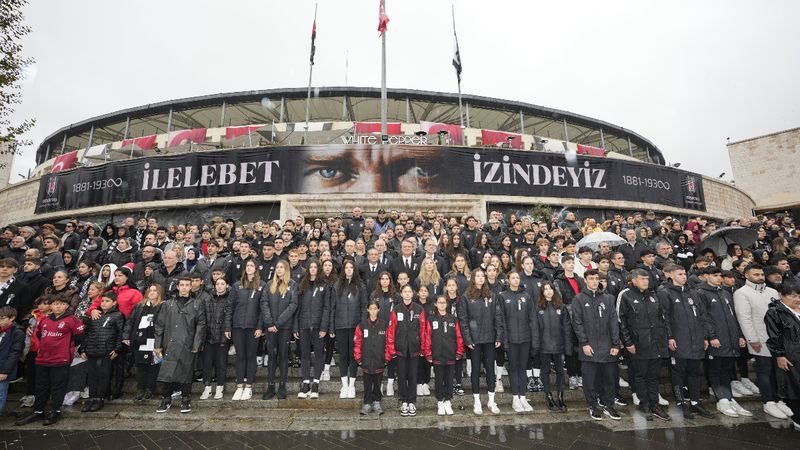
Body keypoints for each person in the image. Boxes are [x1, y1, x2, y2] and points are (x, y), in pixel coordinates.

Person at [15, 296, 85, 426]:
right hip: (43, 358)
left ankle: (55, 411)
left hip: (61, 359)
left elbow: (79, 338)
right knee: (41, 386)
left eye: (61, 304)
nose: (57, 307)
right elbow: (40, 335)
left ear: (66, 306)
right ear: (51, 306)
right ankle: (38, 411)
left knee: (58, 387)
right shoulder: (45, 320)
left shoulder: (73, 320)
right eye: (54, 304)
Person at [656, 264, 715, 419]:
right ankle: (681, 402)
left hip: (696, 339)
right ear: (671, 275)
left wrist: (705, 336)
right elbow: (664, 317)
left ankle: (695, 402)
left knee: (694, 372)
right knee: (678, 373)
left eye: (684, 273)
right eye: (680, 274)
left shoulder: (693, 292)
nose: (684, 276)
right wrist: (670, 337)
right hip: (679, 339)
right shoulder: (665, 292)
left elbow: (702, 316)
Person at [696, 266, 751, 418]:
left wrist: (739, 335)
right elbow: (703, 317)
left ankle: (729, 398)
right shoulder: (701, 293)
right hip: (716, 340)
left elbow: (734, 317)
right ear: (707, 276)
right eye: (715, 275)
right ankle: (723, 400)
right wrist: (711, 336)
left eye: (720, 275)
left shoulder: (725, 292)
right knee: (715, 370)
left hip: (730, 339)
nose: (719, 278)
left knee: (726, 370)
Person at [733, 263, 787, 419]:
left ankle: (778, 399)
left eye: (761, 274)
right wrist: (752, 339)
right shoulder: (741, 293)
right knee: (764, 371)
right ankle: (768, 402)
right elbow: (744, 317)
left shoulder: (772, 291)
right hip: (760, 338)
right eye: (756, 274)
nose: (760, 277)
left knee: (778, 371)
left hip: (777, 338)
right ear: (746, 275)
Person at [618, 269, 672, 421]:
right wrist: (628, 342)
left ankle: (655, 404)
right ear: (634, 280)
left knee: (654, 376)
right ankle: (645, 404)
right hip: (638, 343)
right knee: (641, 375)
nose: (645, 281)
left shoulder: (653, 295)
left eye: (647, 279)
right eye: (642, 279)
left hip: (656, 342)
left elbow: (662, 318)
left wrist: (665, 338)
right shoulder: (626, 295)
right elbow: (621, 320)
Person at [572, 270, 621, 420]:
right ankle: (593, 405)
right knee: (590, 379)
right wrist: (584, 343)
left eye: (596, 278)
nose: (594, 281)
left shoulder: (608, 298)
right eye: (591, 278)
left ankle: (609, 405)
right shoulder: (579, 299)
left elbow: (613, 322)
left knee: (609, 378)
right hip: (589, 347)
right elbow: (577, 323)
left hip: (607, 346)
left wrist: (615, 344)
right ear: (585, 280)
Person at [154, 277, 206, 414]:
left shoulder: (197, 304)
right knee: (166, 373)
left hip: (187, 344)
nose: (184, 287)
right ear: (177, 286)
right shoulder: (168, 304)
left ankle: (185, 399)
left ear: (191, 287)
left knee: (186, 373)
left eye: (187, 285)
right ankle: (165, 399)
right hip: (168, 344)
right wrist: (157, 345)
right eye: (181, 285)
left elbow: (201, 325)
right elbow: (159, 325)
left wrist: (196, 344)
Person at [458, 269, 502, 415]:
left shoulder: (492, 295)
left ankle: (491, 400)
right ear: (473, 278)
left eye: (482, 276)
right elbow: (463, 320)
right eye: (478, 275)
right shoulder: (466, 296)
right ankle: (476, 401)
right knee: (475, 370)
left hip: (489, 338)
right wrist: (468, 339)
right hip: (474, 341)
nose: (481, 278)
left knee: (490, 369)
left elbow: (498, 317)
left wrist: (498, 336)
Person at [497, 271, 538, 413]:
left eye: (517, 278)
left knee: (523, 367)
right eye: (512, 277)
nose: (515, 280)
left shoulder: (526, 296)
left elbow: (532, 318)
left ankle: (523, 396)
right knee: (514, 367)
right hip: (511, 339)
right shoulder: (502, 296)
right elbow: (501, 320)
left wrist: (534, 339)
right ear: (507, 280)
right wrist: (505, 340)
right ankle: (515, 397)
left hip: (525, 338)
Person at [225, 259, 265, 401]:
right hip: (237, 326)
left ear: (256, 269)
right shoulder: (237, 286)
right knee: (240, 356)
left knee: (250, 356)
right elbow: (230, 307)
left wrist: (260, 326)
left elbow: (262, 309)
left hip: (253, 327)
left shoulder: (262, 285)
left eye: (251, 266)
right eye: (247, 265)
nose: (249, 268)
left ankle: (249, 386)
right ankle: (239, 385)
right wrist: (227, 326)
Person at [79, 291, 125, 412]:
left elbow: (121, 333)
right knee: (92, 376)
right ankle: (92, 398)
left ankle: (100, 399)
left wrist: (117, 349)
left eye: (107, 301)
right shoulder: (94, 315)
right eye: (102, 301)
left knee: (104, 375)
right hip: (92, 349)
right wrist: (83, 349)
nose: (104, 303)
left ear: (114, 303)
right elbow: (87, 333)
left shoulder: (118, 315)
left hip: (107, 350)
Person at [765, 280, 800, 430]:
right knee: (795, 387)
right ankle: (798, 418)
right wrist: (779, 355)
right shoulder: (775, 312)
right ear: (782, 296)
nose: (797, 298)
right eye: (792, 296)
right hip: (790, 356)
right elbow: (774, 336)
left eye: (799, 295)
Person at [422, 294, 464, 416]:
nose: (441, 304)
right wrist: (428, 353)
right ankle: (440, 401)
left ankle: (448, 401)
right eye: (439, 302)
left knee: (449, 379)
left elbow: (459, 337)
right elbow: (427, 337)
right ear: (436, 304)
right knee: (439, 379)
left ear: (447, 304)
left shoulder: (453, 319)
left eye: (443, 302)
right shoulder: (431, 319)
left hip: (450, 354)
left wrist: (459, 351)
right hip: (437, 355)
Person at [388, 284, 426, 417]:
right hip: (400, 348)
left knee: (413, 375)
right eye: (405, 291)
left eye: (410, 291)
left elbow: (423, 330)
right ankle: (403, 400)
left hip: (415, 348)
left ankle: (412, 401)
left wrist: (423, 347)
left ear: (413, 294)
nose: (408, 294)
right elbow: (391, 330)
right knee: (402, 375)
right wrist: (392, 348)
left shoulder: (419, 309)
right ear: (401, 293)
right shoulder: (396, 309)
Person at [331, 259, 367, 399]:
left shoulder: (360, 286)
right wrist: (332, 327)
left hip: (355, 326)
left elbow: (364, 307)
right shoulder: (336, 286)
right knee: (343, 356)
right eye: (346, 268)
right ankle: (344, 385)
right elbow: (332, 307)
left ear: (354, 270)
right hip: (340, 326)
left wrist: (362, 325)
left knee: (353, 356)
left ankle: (351, 385)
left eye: (351, 267)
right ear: (343, 270)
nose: (349, 270)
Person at [261, 259, 297, 399]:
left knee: (283, 355)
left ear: (287, 269)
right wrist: (270, 323)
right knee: (271, 356)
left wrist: (279, 323)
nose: (279, 269)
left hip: (284, 327)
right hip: (270, 328)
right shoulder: (270, 284)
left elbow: (293, 305)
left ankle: (282, 386)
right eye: (277, 267)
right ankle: (270, 386)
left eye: (282, 267)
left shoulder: (292, 285)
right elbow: (264, 303)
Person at [294, 259, 330, 399]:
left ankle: (315, 383)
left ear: (318, 269)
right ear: (308, 269)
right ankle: (305, 383)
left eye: (315, 267)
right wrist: (295, 326)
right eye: (311, 267)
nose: (313, 269)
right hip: (303, 325)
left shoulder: (324, 285)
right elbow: (297, 307)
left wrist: (324, 326)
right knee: (304, 355)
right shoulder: (302, 285)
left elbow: (327, 307)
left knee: (319, 354)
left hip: (318, 326)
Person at [124, 284, 163, 402]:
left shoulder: (163, 306)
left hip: (155, 341)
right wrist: (126, 336)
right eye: (149, 290)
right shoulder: (140, 306)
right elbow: (130, 321)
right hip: (140, 340)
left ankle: (150, 389)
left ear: (159, 293)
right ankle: (140, 389)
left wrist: (160, 344)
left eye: (155, 291)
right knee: (141, 366)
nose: (151, 292)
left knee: (153, 366)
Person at [537, 281, 571, 413]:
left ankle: (561, 397)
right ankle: (549, 397)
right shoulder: (538, 307)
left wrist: (567, 345)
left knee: (560, 372)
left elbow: (567, 327)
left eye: (550, 288)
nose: (548, 291)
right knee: (545, 371)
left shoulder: (561, 307)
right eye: (545, 289)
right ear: (542, 292)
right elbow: (535, 328)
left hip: (559, 345)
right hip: (543, 345)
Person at [354, 300, 393, 415]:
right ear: (367, 310)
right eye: (371, 308)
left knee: (377, 382)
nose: (373, 311)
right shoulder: (362, 325)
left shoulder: (384, 324)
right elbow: (357, 343)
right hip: (366, 360)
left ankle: (376, 402)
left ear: (378, 310)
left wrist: (386, 357)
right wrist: (358, 358)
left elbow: (389, 341)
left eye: (375, 308)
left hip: (379, 360)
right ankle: (366, 403)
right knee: (367, 383)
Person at [201, 277, 230, 400]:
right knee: (207, 364)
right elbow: (204, 318)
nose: (219, 286)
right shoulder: (208, 299)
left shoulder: (229, 300)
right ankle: (207, 388)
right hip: (208, 337)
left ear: (226, 286)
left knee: (221, 364)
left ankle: (219, 387)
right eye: (217, 284)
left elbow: (229, 318)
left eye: (222, 284)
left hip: (223, 338)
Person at [0, 306, 25, 414]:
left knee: (0, 393)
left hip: (4, 368)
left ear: (12, 318)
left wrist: (5, 371)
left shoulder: (17, 332)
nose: (0, 320)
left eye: (2, 318)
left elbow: (15, 353)